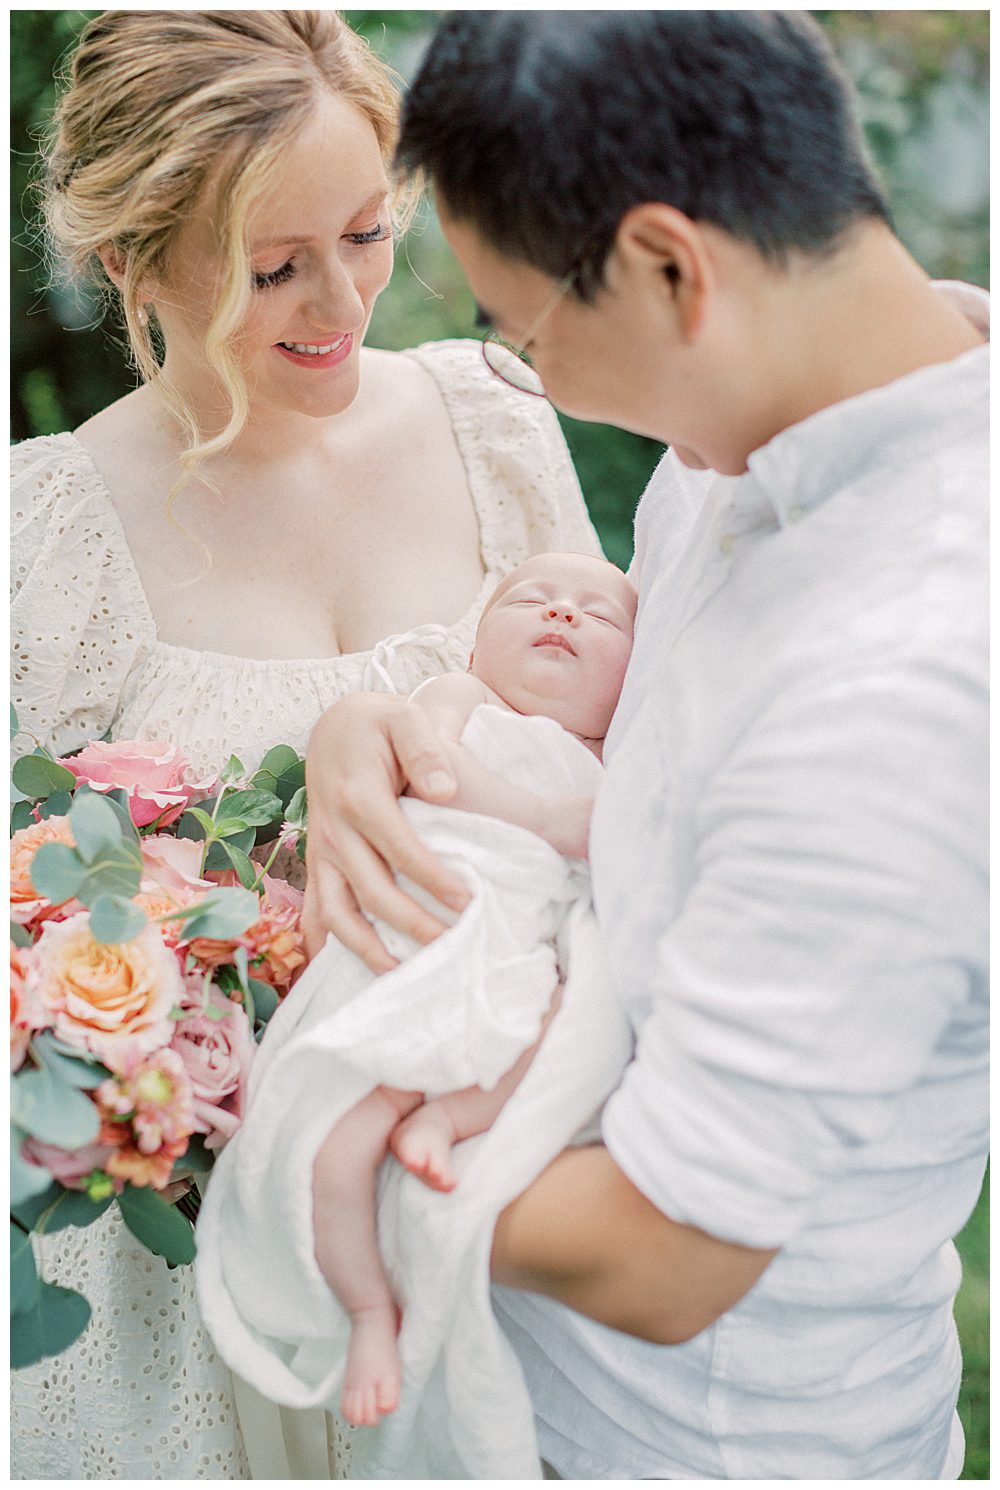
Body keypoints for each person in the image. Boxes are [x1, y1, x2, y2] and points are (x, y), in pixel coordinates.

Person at [302, 11, 989, 1481]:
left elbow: (667, 1254)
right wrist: (380, 724)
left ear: (674, 268)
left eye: (527, 335)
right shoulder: (748, 443)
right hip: (523, 1392)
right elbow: (648, 757)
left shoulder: (907, 683)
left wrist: (267, 1117)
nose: (531, 383)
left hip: (702, 1442)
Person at [9, 11, 601, 1480]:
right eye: (275, 268)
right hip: (174, 1263)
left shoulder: (492, 421)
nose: (341, 300)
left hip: (476, 1176)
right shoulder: (52, 529)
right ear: (137, 263)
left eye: (367, 230)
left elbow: (624, 750)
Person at [303, 552, 635, 1429]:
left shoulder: (616, 762)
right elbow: (427, 774)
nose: (563, 614)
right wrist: (541, 818)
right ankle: (371, 1312)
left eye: (600, 617)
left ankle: (448, 1118)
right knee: (336, 1159)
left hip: (518, 970)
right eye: (532, 599)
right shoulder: (460, 698)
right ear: (479, 642)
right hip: (419, 948)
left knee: (568, 1026)